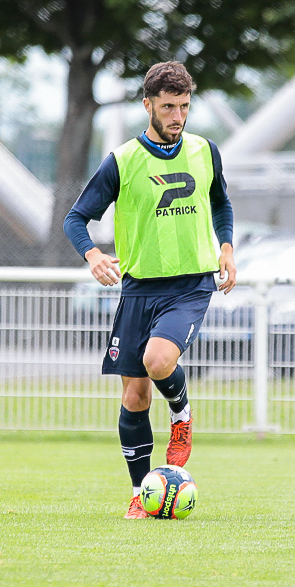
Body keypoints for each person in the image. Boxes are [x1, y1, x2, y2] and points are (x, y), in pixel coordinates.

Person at [64, 61, 236, 518]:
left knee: (158, 360)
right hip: (138, 289)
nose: (177, 116)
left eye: (183, 106)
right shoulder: (122, 161)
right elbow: (75, 218)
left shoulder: (204, 151)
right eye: (168, 107)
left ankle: (181, 416)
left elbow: (220, 201)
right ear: (148, 106)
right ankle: (143, 495)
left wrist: (226, 247)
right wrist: (94, 255)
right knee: (135, 396)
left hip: (190, 285)